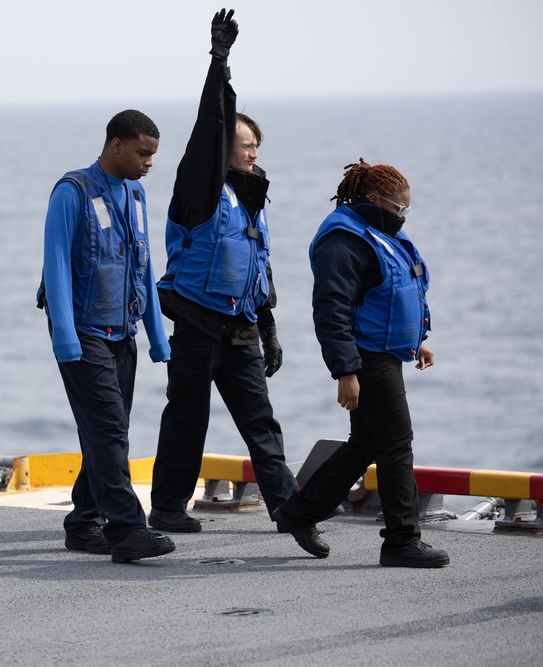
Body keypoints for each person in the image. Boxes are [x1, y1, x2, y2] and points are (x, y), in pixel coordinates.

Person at [148, 9, 299, 533]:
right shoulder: (200, 191)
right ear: (223, 153)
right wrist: (219, 63)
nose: (253, 150)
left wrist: (270, 329)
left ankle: (292, 513)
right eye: (243, 143)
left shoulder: (253, 202)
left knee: (262, 424)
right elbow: (207, 130)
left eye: (257, 143)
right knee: (187, 419)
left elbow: (260, 267)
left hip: (241, 328)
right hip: (196, 323)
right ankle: (167, 507)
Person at [272, 159, 450, 568]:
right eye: (399, 208)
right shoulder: (343, 241)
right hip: (366, 357)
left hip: (385, 352)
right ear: (374, 198)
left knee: (367, 443)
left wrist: (417, 340)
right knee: (396, 442)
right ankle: (402, 541)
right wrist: (346, 371)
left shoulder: (376, 233)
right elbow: (331, 310)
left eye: (407, 210)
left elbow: (397, 290)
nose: (403, 217)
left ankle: (298, 513)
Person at [38, 109, 175, 564]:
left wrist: (158, 336)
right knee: (109, 431)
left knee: (105, 432)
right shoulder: (71, 191)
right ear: (116, 144)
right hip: (82, 333)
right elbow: (55, 262)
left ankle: (83, 522)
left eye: (153, 155)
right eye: (143, 153)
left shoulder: (136, 194)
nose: (149, 163)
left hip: (124, 332)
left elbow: (146, 263)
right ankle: (129, 529)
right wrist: (65, 339)